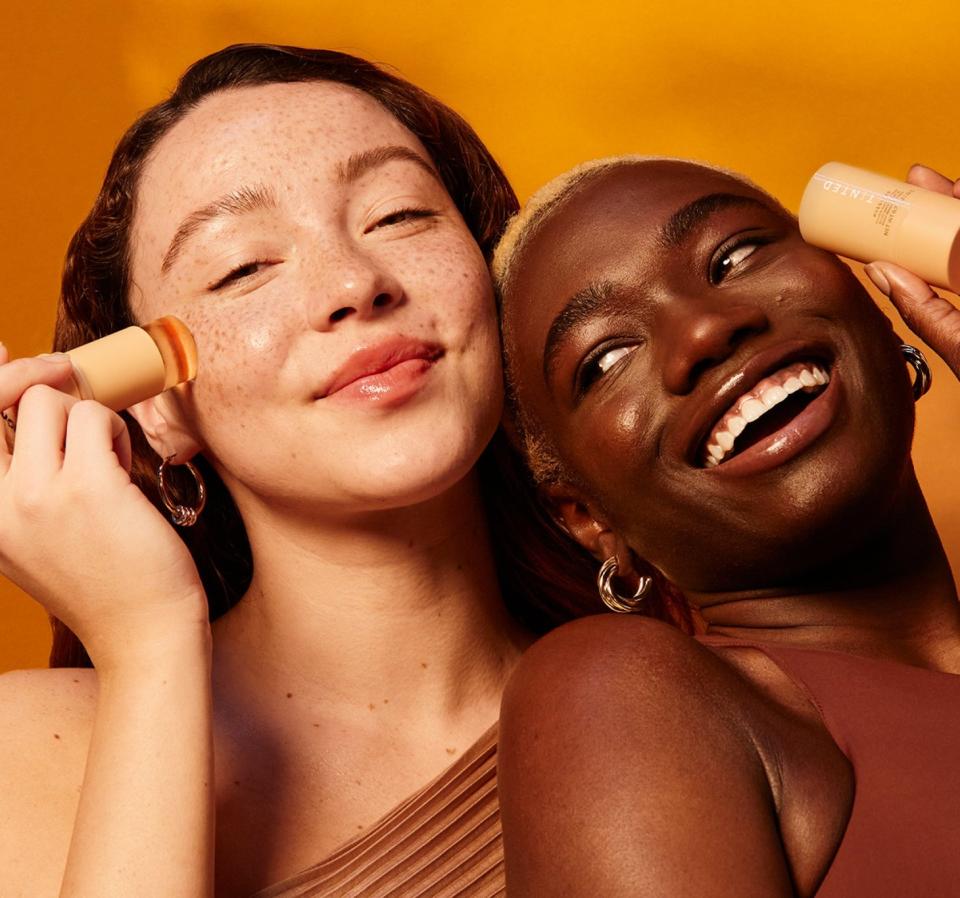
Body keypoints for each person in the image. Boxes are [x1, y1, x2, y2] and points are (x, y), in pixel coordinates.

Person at [0, 45, 685, 898]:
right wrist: (150, 647)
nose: (355, 285)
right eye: (243, 267)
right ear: (156, 409)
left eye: (397, 214)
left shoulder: (694, 695)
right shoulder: (32, 754)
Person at [493, 155, 960, 897]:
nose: (708, 329)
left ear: (875, 298)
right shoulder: (621, 696)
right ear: (589, 519)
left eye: (735, 255)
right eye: (606, 358)